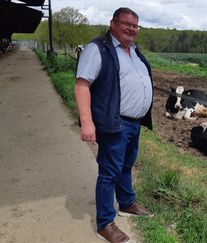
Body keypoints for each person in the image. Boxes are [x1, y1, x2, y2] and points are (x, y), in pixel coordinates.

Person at [74, 7, 154, 243]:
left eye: (135, 26)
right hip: (113, 121)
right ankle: (105, 223)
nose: (131, 29)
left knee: (126, 165)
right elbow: (82, 85)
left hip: (134, 122)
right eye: (126, 24)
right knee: (109, 172)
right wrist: (87, 122)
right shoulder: (98, 49)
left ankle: (127, 203)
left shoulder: (135, 52)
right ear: (113, 23)